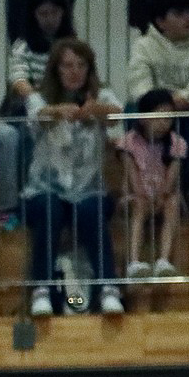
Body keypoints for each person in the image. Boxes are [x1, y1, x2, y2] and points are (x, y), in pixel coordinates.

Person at [23, 38, 121, 315]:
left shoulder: (102, 94)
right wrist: (58, 111)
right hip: (44, 189)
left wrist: (96, 110)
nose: (74, 71)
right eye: (67, 65)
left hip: (89, 189)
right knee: (49, 207)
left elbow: (117, 114)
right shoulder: (39, 97)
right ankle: (41, 290)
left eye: (81, 65)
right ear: (56, 70)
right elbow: (36, 114)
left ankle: (108, 289)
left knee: (92, 209)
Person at [121, 89, 188, 278]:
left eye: (167, 118)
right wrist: (143, 194)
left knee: (173, 202)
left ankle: (164, 260)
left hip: (163, 195)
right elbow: (132, 175)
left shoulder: (177, 143)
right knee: (139, 205)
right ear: (142, 118)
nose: (162, 124)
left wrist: (162, 195)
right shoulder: (129, 142)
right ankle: (133, 261)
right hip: (137, 195)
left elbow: (172, 176)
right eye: (157, 117)